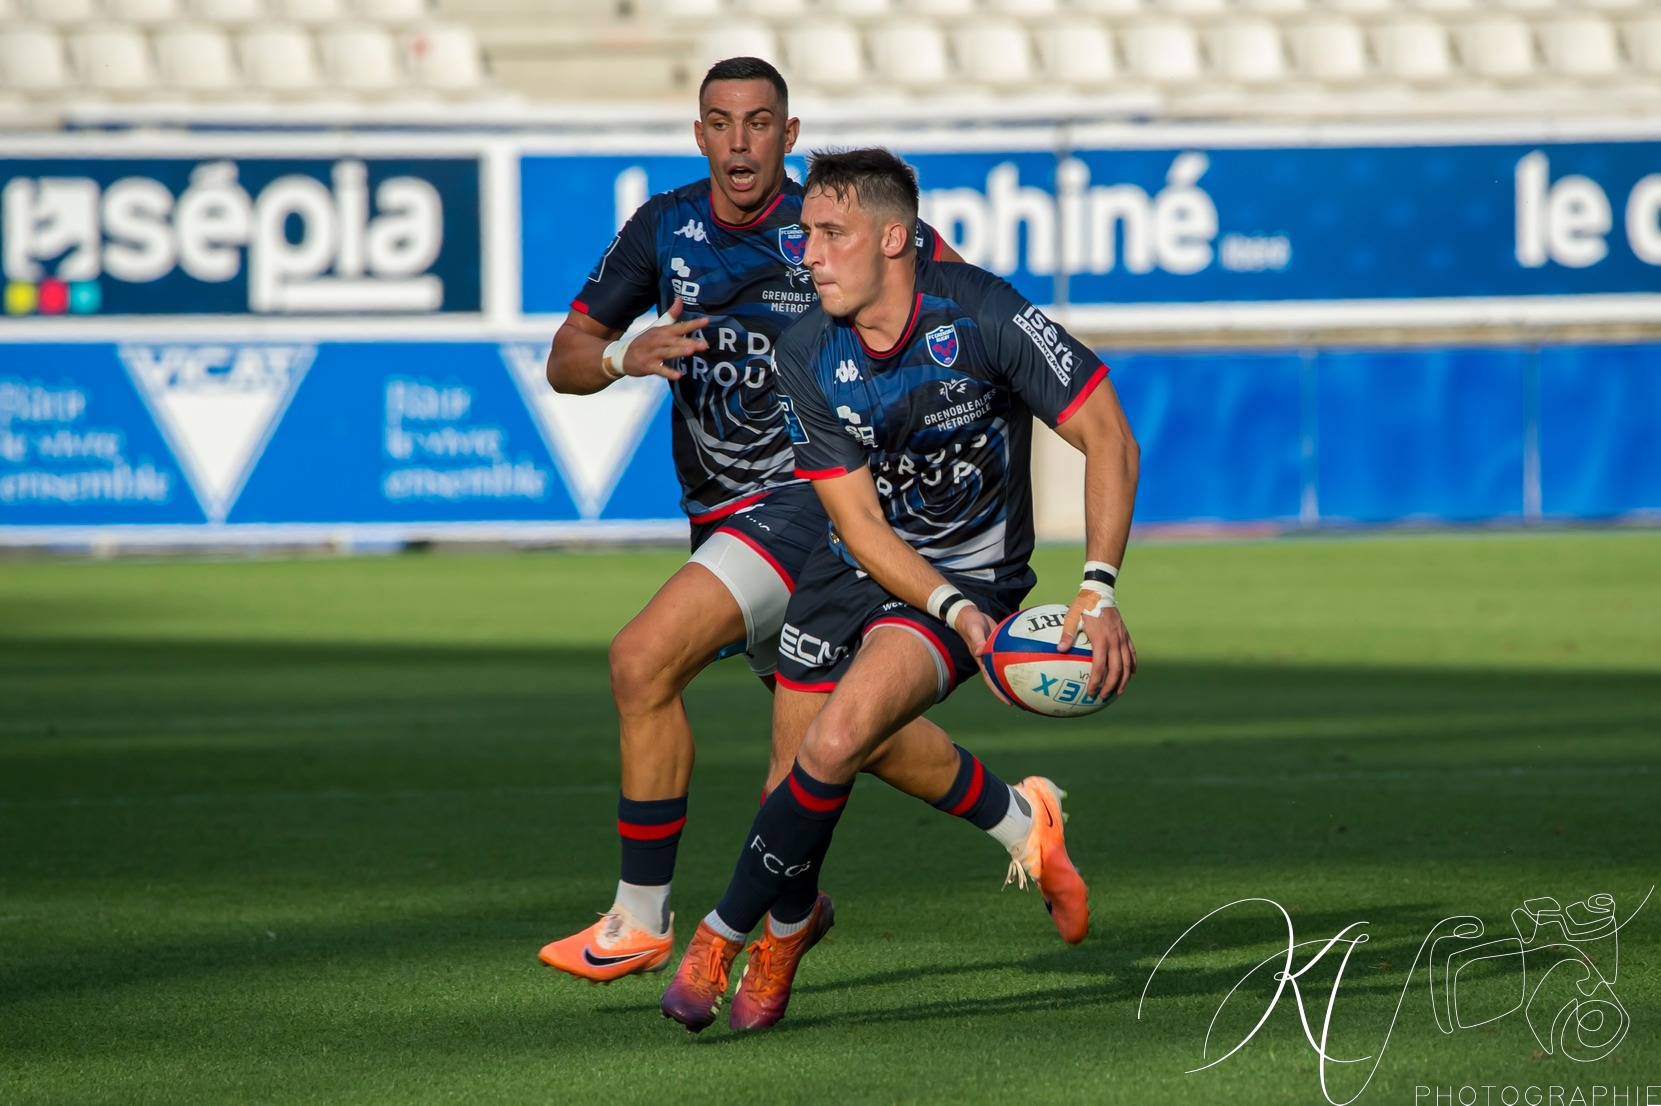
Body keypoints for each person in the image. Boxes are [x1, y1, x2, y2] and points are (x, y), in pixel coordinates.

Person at [537, 59, 1069, 990]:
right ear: (696, 132)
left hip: (806, 506)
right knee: (839, 736)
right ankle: (1019, 821)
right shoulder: (666, 229)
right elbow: (565, 360)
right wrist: (625, 355)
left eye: (758, 123)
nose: (738, 142)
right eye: (718, 122)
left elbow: (932, 300)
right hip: (719, 516)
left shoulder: (833, 228)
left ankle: (641, 916)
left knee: (641, 659)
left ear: (788, 134)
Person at [660, 147, 1140, 1032]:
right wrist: (948, 613)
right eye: (804, 235)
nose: (805, 254)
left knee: (840, 736)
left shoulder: (984, 311)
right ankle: (806, 922)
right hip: (862, 567)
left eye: (828, 235)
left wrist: (1097, 592)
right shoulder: (806, 351)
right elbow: (861, 528)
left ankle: (721, 937)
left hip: (974, 571)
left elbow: (1107, 434)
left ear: (893, 239)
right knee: (793, 773)